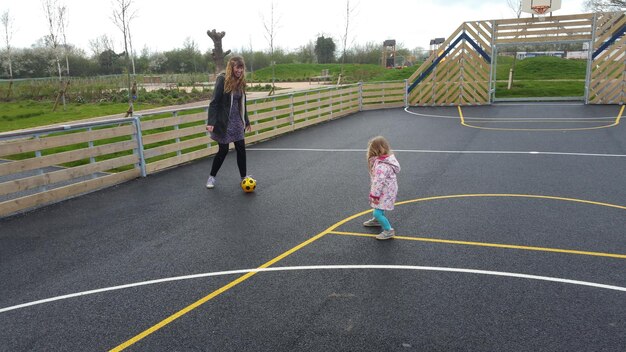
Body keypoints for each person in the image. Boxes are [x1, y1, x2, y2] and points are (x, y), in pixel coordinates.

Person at [206, 56, 252, 189]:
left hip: (237, 121)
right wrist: (211, 122)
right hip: (224, 121)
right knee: (223, 150)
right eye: (238, 68)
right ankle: (211, 177)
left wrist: (246, 120)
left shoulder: (241, 81)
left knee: (241, 149)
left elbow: (242, 103)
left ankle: (244, 177)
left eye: (242, 68)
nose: (240, 71)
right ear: (231, 67)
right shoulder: (222, 79)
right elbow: (214, 102)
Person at [363, 136, 401, 240]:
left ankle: (388, 230)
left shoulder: (382, 166)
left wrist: (374, 194)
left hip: (385, 191)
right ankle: (377, 220)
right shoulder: (382, 161)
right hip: (387, 190)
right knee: (378, 207)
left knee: (377, 211)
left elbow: (378, 182)